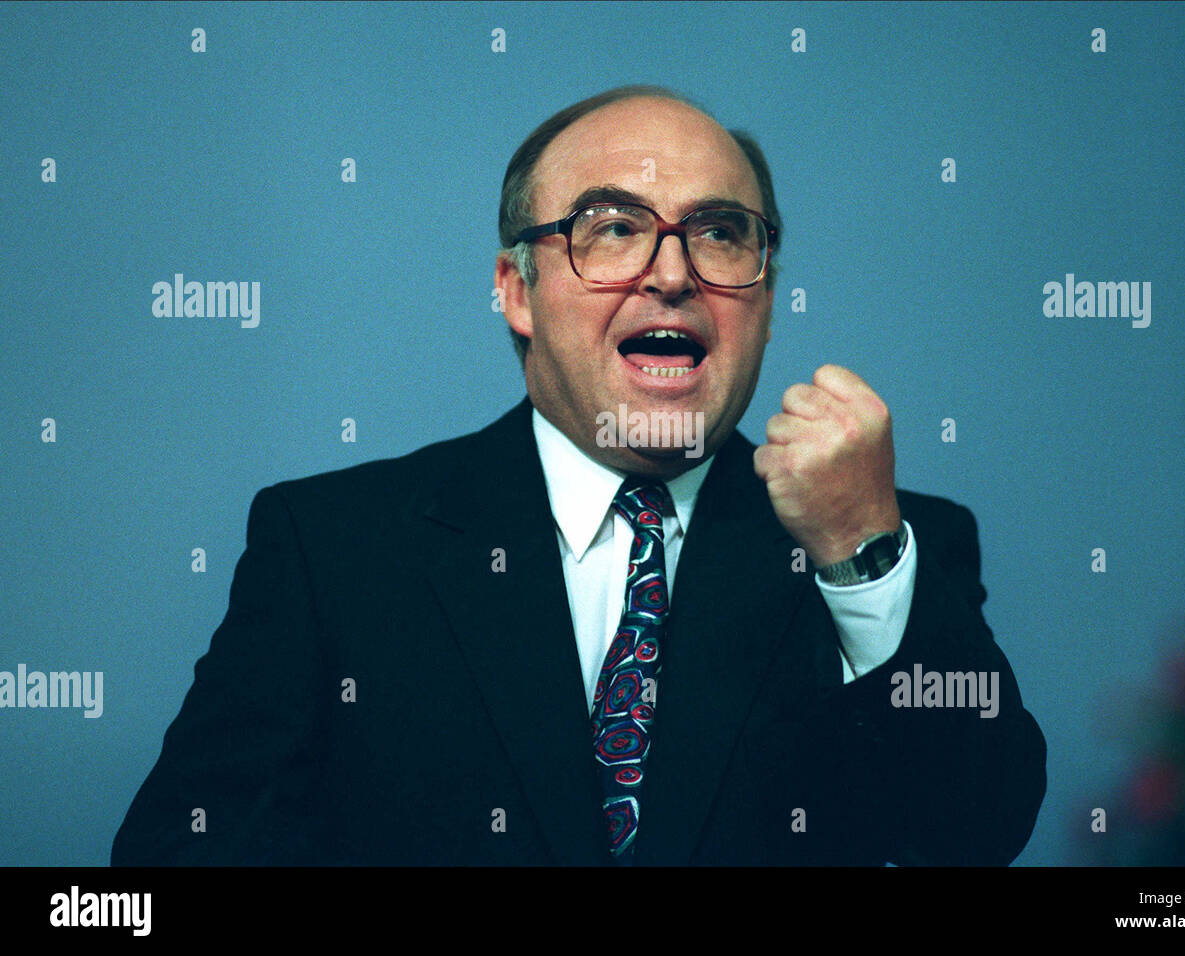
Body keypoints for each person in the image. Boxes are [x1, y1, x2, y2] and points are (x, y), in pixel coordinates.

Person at [112, 85, 1046, 866]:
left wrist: (856, 551)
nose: (672, 274)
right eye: (612, 229)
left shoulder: (891, 546)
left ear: (765, 289)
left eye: (720, 233)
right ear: (516, 290)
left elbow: (973, 833)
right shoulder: (335, 549)